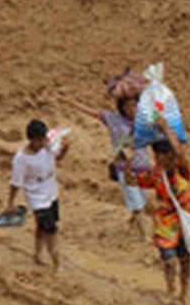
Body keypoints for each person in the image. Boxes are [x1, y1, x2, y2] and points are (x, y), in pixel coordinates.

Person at [59, 92, 150, 239]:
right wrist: (66, 100)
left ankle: (133, 222)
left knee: (142, 203)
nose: (132, 109)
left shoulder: (144, 121)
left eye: (135, 105)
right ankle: (144, 237)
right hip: (124, 169)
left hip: (143, 167)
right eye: (128, 106)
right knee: (138, 206)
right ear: (122, 108)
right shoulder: (113, 119)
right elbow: (89, 111)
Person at [127, 118, 190, 304]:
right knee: (170, 261)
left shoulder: (182, 170)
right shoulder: (156, 175)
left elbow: (180, 152)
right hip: (165, 225)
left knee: (185, 260)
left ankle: (184, 293)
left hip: (183, 223)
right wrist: (127, 163)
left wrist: (166, 128)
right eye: (157, 157)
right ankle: (171, 290)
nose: (159, 160)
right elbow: (132, 181)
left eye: (163, 157)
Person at [5, 119, 69, 272]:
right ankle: (57, 264)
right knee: (51, 230)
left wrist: (65, 148)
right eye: (39, 140)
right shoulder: (21, 159)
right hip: (37, 199)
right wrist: (10, 203)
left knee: (41, 227)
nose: (42, 142)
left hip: (51, 192)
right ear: (31, 139)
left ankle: (37, 255)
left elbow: (57, 158)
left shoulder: (47, 147)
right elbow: (15, 183)